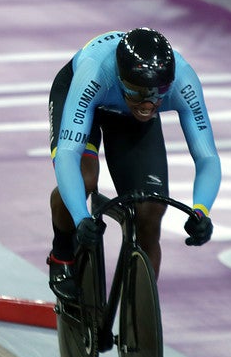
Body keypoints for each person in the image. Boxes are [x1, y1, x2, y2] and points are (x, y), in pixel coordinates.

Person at [46, 28, 222, 300]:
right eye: (140, 92)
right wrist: (80, 218)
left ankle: (138, 314)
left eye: (159, 93)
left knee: (151, 209)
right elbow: (68, 155)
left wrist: (201, 210)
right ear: (122, 78)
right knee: (85, 180)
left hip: (125, 115)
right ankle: (62, 254)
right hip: (84, 95)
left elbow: (207, 157)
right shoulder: (95, 72)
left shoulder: (182, 81)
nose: (149, 103)